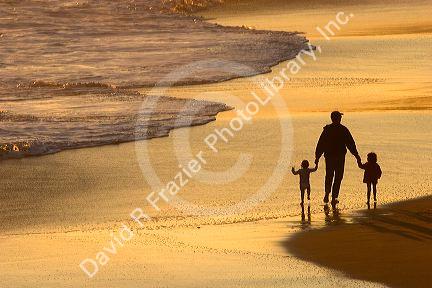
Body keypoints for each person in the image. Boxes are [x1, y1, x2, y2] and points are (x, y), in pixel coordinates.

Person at [315, 111, 361, 204]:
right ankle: (334, 197)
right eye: (340, 117)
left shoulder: (327, 129)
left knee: (329, 175)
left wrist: (317, 157)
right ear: (339, 118)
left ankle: (327, 194)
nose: (341, 118)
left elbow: (321, 144)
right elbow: (350, 144)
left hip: (329, 156)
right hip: (339, 156)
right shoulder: (343, 129)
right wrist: (356, 156)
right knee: (338, 176)